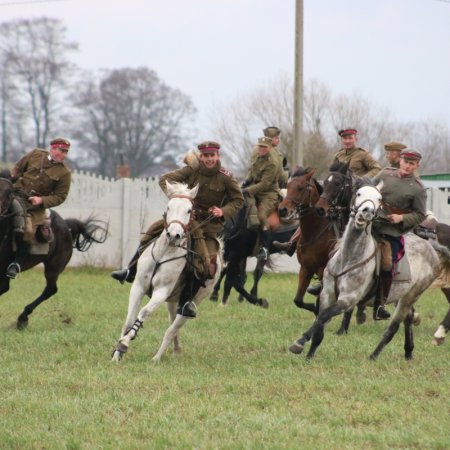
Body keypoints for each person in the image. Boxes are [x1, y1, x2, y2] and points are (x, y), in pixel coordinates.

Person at [111, 140, 244, 318]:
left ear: (217, 156)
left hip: (207, 226)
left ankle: (186, 302)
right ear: (201, 156)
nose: (209, 159)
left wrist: (222, 211)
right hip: (182, 218)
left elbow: (238, 200)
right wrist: (178, 199)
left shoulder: (226, 177)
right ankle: (129, 270)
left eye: (212, 155)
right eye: (205, 156)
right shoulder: (192, 169)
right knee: (151, 232)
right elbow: (164, 180)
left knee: (206, 263)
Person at [371, 148, 426, 320]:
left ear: (417, 166)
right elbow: (368, 188)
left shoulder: (418, 189)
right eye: (405, 162)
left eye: (412, 164)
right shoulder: (385, 174)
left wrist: (401, 217)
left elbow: (420, 214)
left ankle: (380, 304)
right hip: (370, 224)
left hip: (390, 232)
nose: (407, 166)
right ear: (400, 161)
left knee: (387, 264)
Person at [5, 138, 72, 279]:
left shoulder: (65, 173)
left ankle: (16, 263)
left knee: (28, 230)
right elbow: (18, 168)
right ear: (53, 149)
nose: (64, 155)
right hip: (15, 195)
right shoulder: (36, 154)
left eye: (66, 152)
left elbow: (60, 197)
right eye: (62, 151)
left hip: (34, 207)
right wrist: (12, 178)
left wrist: (41, 200)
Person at [242, 136, 280, 261]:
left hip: (268, 194)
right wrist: (246, 181)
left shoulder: (272, 163)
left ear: (269, 148)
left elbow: (265, 184)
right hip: (254, 189)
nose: (261, 149)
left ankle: (265, 248)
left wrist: (247, 191)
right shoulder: (257, 157)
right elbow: (251, 171)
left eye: (264, 147)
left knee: (262, 215)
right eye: (260, 146)